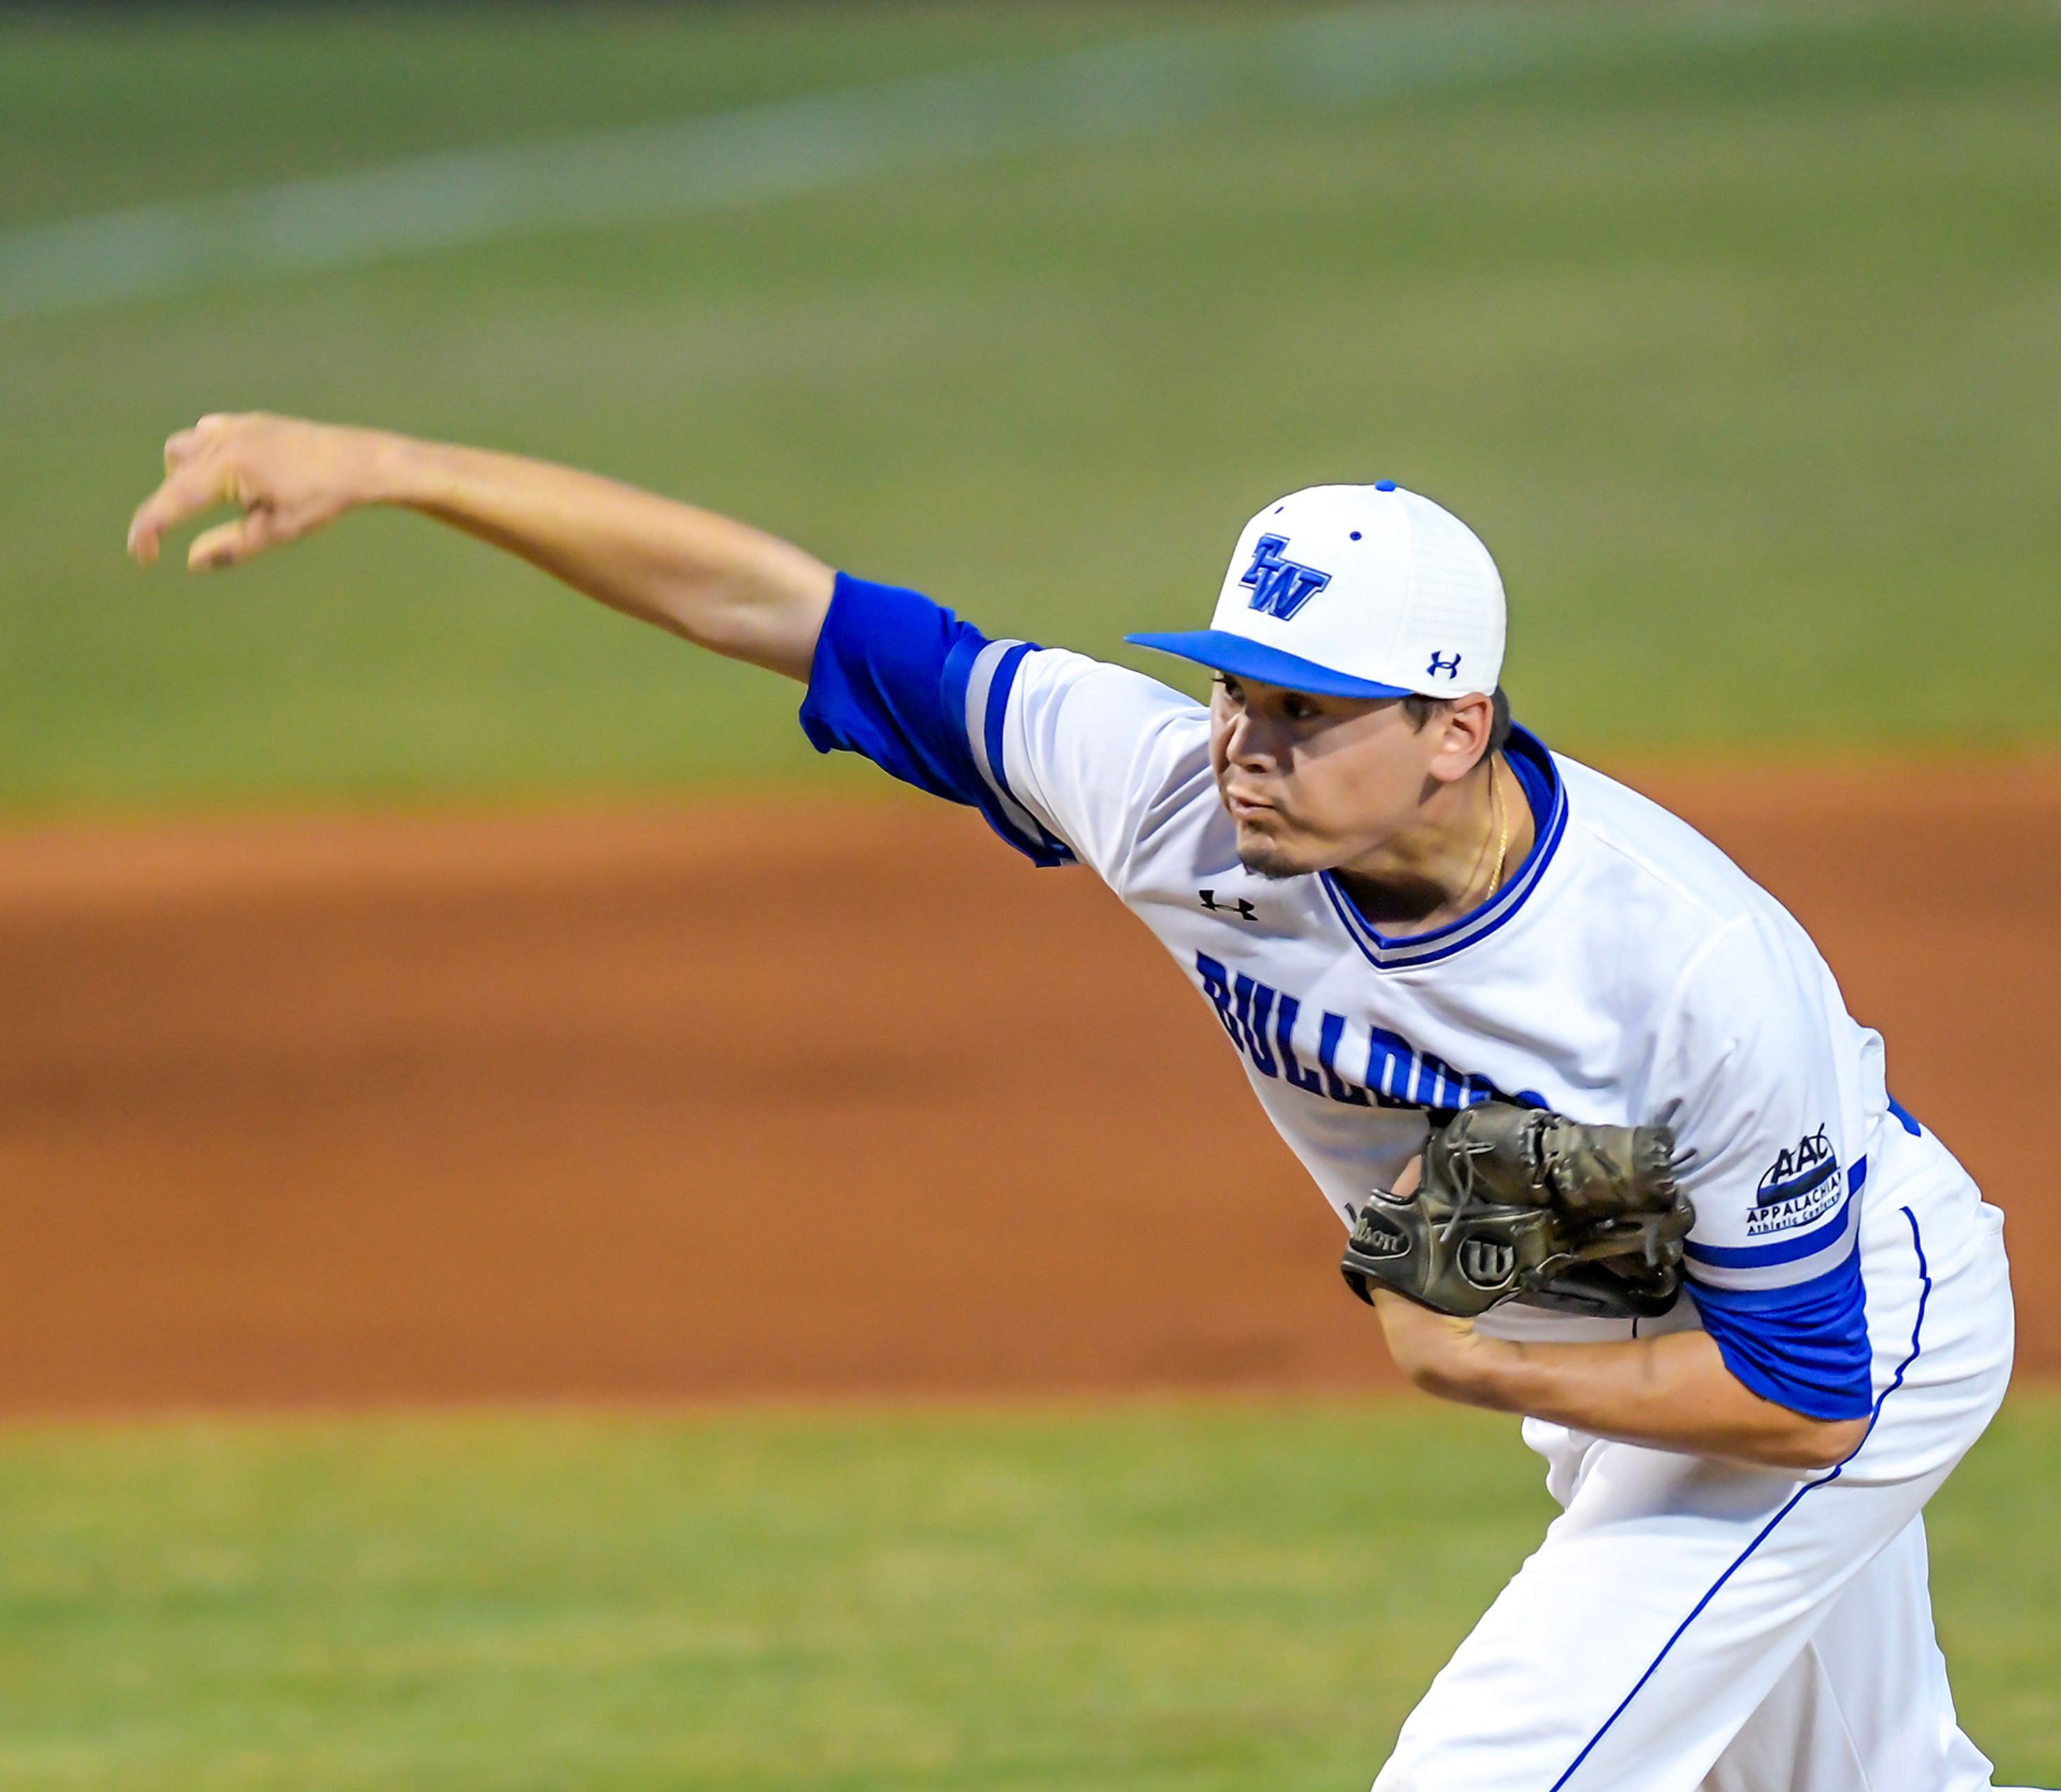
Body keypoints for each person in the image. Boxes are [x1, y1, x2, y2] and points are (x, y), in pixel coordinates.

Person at [129, 413, 2037, 1791]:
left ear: (1458, 727)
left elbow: (1807, 1390)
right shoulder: (1171, 799)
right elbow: (789, 612)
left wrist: (1480, 1364)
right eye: (1232, 687)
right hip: (1636, 1298)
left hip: (1851, 1317)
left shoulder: (1694, 964)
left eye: (1304, 710)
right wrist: (401, 471)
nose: (1244, 744)